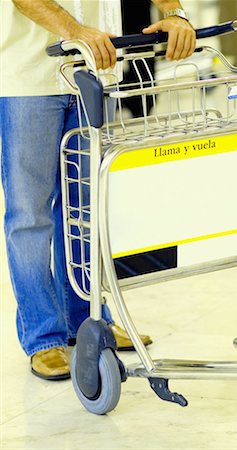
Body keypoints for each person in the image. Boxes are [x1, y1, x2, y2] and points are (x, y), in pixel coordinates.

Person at [0, 0, 195, 381]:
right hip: (30, 77)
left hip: (96, 72)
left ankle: (88, 319)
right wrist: (73, 30)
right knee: (29, 212)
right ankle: (43, 338)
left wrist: (175, 12)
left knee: (84, 209)